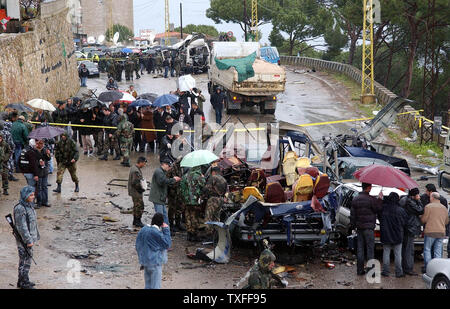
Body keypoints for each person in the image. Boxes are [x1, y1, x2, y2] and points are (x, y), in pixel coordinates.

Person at [350, 182, 383, 275]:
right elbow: (378, 209)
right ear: (368, 188)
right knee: (370, 250)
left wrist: (353, 226)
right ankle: (371, 272)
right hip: (369, 228)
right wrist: (380, 199)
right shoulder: (372, 200)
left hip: (359, 228)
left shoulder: (355, 199)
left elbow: (352, 216)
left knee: (360, 249)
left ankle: (360, 270)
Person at [135, 213, 171, 289]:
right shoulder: (156, 232)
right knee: (156, 286)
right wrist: (166, 230)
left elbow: (138, 245)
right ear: (161, 223)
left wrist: (141, 259)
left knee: (148, 285)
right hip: (155, 262)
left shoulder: (143, 229)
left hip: (145, 262)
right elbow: (167, 244)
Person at [14, 186, 40, 289]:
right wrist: (28, 240)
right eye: (31, 195)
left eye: (33, 194)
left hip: (29, 239)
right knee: (24, 261)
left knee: (26, 260)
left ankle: (24, 280)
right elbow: (22, 227)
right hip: (24, 241)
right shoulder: (20, 208)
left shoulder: (29, 206)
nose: (33, 197)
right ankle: (23, 282)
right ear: (25, 196)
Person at [380, 192, 408, 278]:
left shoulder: (383, 209)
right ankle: (399, 272)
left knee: (386, 253)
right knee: (398, 254)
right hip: (397, 235)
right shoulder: (400, 210)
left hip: (386, 234)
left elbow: (379, 218)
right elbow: (405, 222)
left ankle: (385, 271)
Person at [421, 192, 449, 271]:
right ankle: (437, 269)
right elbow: (446, 221)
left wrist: (421, 218)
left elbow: (424, 219)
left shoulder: (428, 207)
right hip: (441, 232)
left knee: (427, 249)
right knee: (438, 251)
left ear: (432, 198)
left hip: (430, 232)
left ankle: (429, 268)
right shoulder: (444, 208)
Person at [149, 158, 181, 225]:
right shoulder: (159, 172)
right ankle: (158, 230)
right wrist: (174, 179)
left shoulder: (163, 172)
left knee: (164, 215)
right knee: (160, 216)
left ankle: (166, 230)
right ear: (164, 164)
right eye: (168, 166)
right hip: (158, 198)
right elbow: (162, 182)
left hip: (161, 198)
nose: (169, 168)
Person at [399, 187, 424, 276]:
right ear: (414, 195)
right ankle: (408, 269)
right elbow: (421, 210)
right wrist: (419, 200)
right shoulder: (411, 202)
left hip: (404, 226)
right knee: (409, 250)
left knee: (404, 248)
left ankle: (403, 266)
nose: (418, 196)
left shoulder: (403, 200)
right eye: (417, 194)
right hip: (410, 227)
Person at [180, 165, 206, 242]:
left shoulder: (185, 176)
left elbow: (182, 188)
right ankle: (195, 235)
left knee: (188, 216)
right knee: (195, 217)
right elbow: (203, 186)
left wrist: (184, 198)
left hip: (187, 200)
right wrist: (203, 177)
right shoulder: (198, 176)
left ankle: (189, 234)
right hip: (195, 200)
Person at [203, 166, 228, 235]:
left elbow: (206, 189)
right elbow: (226, 191)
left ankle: (208, 233)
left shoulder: (213, 178)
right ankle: (217, 233)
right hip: (220, 199)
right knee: (217, 217)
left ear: (213, 172)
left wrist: (203, 195)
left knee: (208, 216)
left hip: (213, 199)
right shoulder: (223, 179)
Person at [128, 157, 148, 228]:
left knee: (137, 206)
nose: (144, 165)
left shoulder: (134, 168)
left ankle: (135, 221)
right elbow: (135, 183)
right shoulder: (136, 171)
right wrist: (141, 189)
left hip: (135, 191)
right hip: (136, 192)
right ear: (141, 162)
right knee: (139, 206)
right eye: (144, 163)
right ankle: (137, 221)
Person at [167, 157, 184, 233]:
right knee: (172, 209)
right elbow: (166, 181)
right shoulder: (171, 169)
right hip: (172, 193)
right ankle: (171, 224)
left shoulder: (181, 168)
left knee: (179, 208)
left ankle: (178, 223)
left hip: (179, 191)